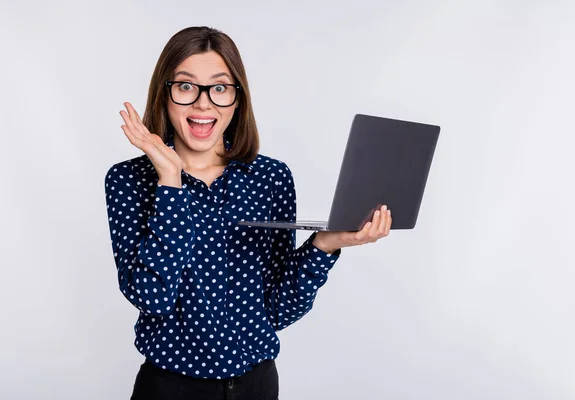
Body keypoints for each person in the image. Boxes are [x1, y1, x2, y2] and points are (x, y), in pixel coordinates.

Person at [104, 26, 392, 400]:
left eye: (220, 88)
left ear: (237, 99)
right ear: (165, 94)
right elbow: (152, 297)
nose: (203, 104)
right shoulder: (128, 180)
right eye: (187, 86)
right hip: (170, 389)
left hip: (257, 386)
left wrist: (326, 243)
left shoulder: (270, 178)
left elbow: (277, 309)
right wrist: (170, 182)